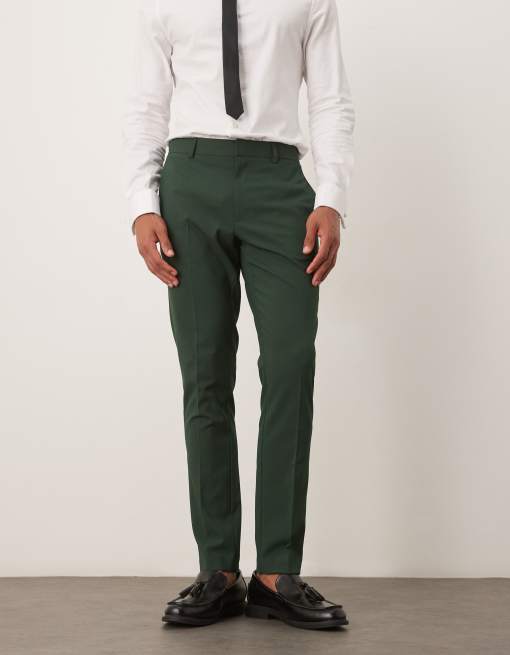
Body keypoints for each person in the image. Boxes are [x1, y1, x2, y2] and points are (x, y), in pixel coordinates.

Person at [124, 0, 355, 630]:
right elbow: (147, 105)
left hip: (280, 182)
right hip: (189, 179)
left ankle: (277, 572)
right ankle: (218, 571)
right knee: (205, 374)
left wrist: (332, 196)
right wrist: (142, 204)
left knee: (290, 367)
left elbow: (330, 101)